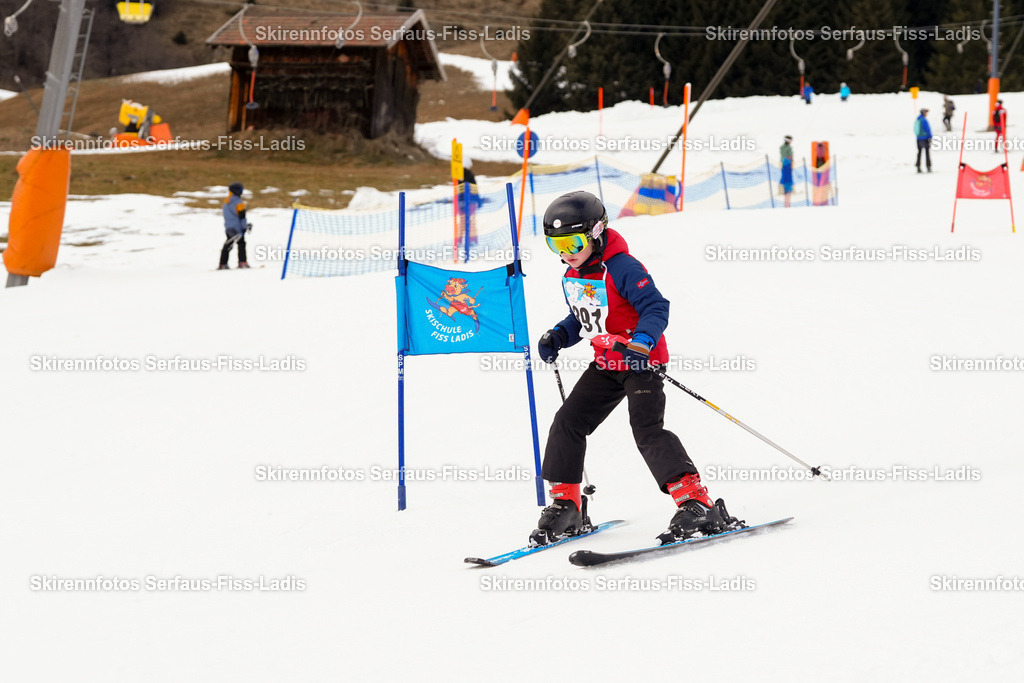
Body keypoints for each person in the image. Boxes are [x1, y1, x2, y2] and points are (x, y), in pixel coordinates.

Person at [530, 191, 738, 547]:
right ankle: (567, 505)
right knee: (567, 422)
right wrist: (560, 334)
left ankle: (696, 502)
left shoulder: (623, 267)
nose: (566, 253)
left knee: (647, 429)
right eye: (556, 245)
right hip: (607, 362)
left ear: (596, 233)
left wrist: (642, 343)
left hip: (641, 362)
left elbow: (655, 307)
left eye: (573, 243)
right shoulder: (573, 274)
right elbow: (585, 318)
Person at [219, 182, 251, 269]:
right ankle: (242, 262)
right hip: (237, 228)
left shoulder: (226, 202)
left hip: (229, 227)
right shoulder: (238, 203)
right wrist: (244, 226)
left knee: (228, 244)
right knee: (241, 244)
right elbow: (242, 217)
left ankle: (223, 263)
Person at [914, 108, 932, 173]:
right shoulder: (924, 120)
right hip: (925, 138)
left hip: (918, 139)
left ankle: (918, 166)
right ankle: (928, 167)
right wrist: (930, 136)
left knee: (919, 152)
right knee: (927, 153)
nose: (927, 114)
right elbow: (927, 129)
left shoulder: (918, 119)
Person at [780, 135, 794, 207]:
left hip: (783, 166)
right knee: (788, 184)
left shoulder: (781, 147)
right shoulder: (789, 148)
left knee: (785, 184)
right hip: (788, 166)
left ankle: (786, 203)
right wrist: (792, 165)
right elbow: (791, 157)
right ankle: (788, 203)